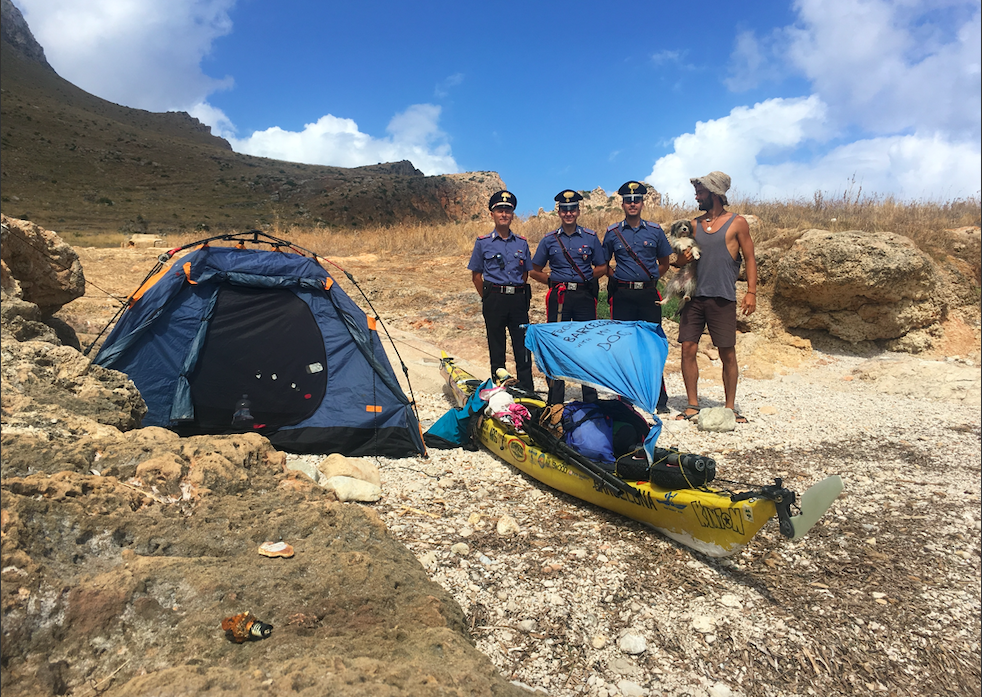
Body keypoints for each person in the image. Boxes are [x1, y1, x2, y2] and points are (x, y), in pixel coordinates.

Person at [674, 171, 757, 424]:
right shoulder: (694, 224)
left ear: (715, 194)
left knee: (727, 352)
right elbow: (679, 261)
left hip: (723, 297)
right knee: (688, 348)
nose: (697, 196)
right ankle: (692, 405)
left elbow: (750, 258)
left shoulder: (738, 223)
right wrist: (681, 259)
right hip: (693, 298)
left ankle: (730, 407)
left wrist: (751, 292)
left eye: (700, 192)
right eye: (697, 192)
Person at [529, 189, 608, 404]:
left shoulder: (591, 237)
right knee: (557, 346)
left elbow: (602, 266)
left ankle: (590, 399)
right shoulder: (549, 240)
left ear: (578, 211)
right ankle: (555, 401)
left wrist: (587, 278)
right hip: (560, 297)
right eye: (564, 210)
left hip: (583, 296)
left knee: (587, 345)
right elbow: (534, 269)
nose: (569, 213)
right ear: (559, 212)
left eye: (572, 209)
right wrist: (553, 283)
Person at [602, 180, 673, 414]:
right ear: (622, 204)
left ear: (642, 203)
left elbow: (665, 263)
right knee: (624, 347)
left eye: (637, 200)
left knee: (652, 345)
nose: (632, 204)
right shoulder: (613, 233)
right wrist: (620, 277)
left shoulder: (655, 231)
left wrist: (648, 278)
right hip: (622, 295)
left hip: (648, 295)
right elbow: (603, 264)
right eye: (628, 201)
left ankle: (658, 396)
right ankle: (625, 397)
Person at [468, 190, 534, 392]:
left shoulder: (521, 243)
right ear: (492, 214)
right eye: (499, 210)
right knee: (497, 347)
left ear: (512, 214)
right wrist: (488, 297)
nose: (504, 214)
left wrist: (512, 290)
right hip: (494, 299)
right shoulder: (483, 242)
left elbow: (525, 274)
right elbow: (476, 276)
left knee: (522, 347)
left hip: (518, 300)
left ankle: (526, 388)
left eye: (507, 210)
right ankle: (499, 390)